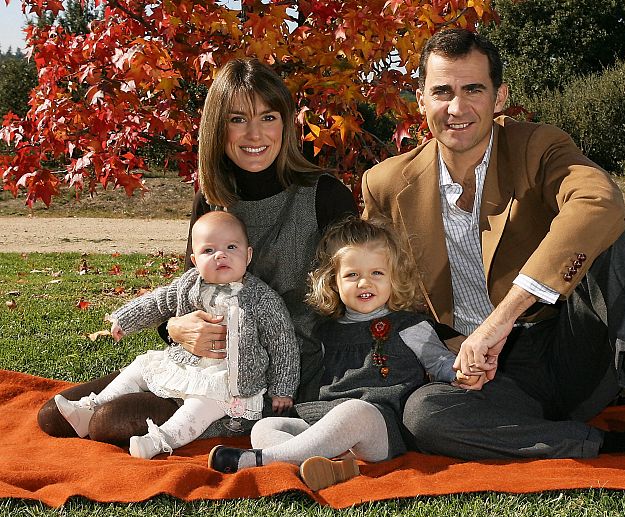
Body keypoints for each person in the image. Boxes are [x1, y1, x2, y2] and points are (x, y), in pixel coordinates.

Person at [361, 28, 625, 517]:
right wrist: (444, 357)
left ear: (499, 97)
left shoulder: (539, 145)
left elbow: (599, 201)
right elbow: (384, 292)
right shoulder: (385, 184)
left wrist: (500, 319)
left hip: (569, 346)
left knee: (611, 234)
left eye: (473, 89)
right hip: (492, 380)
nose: (456, 107)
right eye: (442, 91)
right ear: (421, 99)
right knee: (425, 415)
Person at [38, 57, 358, 444]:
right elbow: (188, 287)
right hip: (195, 360)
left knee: (108, 422)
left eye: (268, 117)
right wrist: (174, 328)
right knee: (52, 415)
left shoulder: (325, 197)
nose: (254, 133)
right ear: (218, 127)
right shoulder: (212, 197)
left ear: (286, 123)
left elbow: (356, 301)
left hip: (266, 379)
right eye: (238, 119)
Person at [208, 217, 463, 491]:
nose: (364, 283)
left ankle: (261, 459)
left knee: (355, 411)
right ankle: (326, 466)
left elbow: (440, 362)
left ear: (395, 276)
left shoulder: (409, 326)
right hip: (327, 419)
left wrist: (460, 372)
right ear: (333, 282)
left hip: (380, 426)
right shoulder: (326, 331)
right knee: (266, 426)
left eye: (377, 273)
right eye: (352, 275)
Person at [52, 211, 298, 459]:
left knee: (200, 407)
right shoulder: (190, 284)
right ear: (195, 260)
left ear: (248, 255)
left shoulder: (262, 299)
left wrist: (282, 389)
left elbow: (283, 344)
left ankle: (158, 441)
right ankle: (90, 407)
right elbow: (158, 302)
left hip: (226, 378)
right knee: (140, 367)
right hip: (184, 362)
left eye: (231, 247)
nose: (220, 255)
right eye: (208, 250)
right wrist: (125, 319)